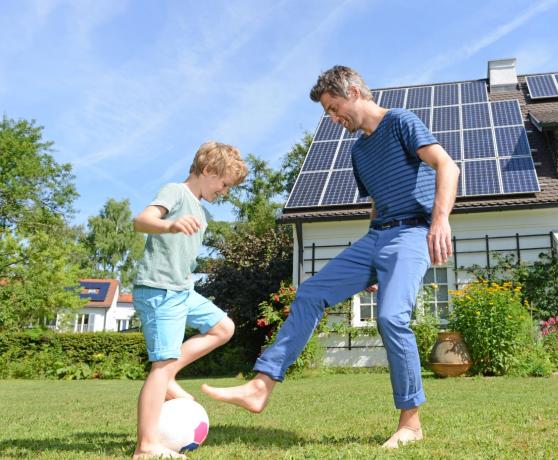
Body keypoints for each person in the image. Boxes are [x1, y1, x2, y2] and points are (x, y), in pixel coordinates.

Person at [202, 65, 459, 449]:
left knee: (391, 317)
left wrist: (439, 221)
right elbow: (376, 204)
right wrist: (370, 262)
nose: (332, 118)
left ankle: (411, 423)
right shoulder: (358, 151)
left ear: (354, 91)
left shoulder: (402, 122)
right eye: (328, 112)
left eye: (333, 108)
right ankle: (261, 385)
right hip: (377, 237)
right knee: (310, 293)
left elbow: (447, 166)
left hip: (412, 233)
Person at [131, 141, 248, 459]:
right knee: (162, 364)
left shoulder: (201, 210)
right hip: (159, 289)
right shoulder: (175, 191)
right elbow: (141, 220)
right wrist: (169, 224)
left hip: (182, 290)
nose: (225, 191)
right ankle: (146, 446)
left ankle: (167, 375)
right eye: (224, 184)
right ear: (208, 170)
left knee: (223, 327)